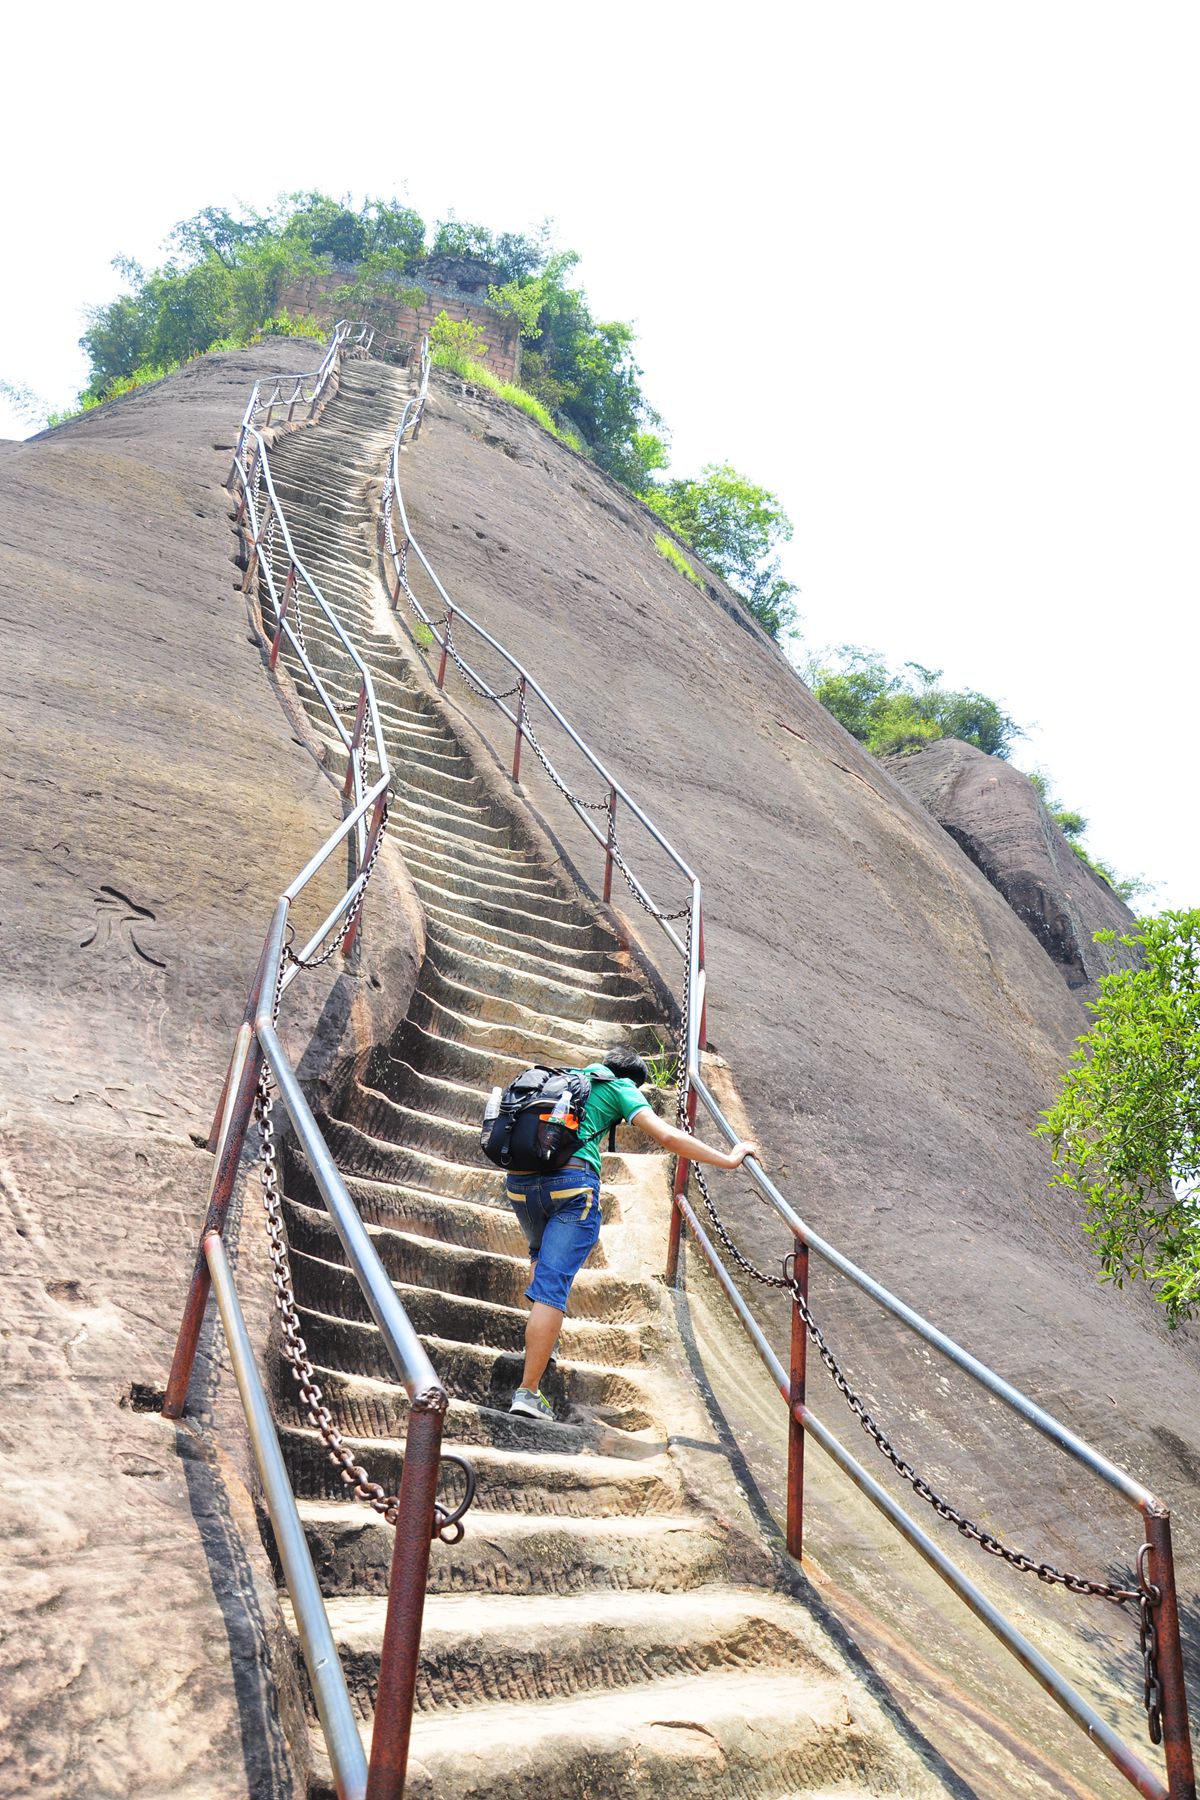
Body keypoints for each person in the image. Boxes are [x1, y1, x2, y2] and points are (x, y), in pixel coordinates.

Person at [503, 1043, 759, 1421]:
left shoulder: (566, 1079)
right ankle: (527, 1392)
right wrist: (728, 1158)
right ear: (633, 1081)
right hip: (571, 1188)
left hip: (521, 1185)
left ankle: (545, 1345)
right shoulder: (621, 1087)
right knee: (553, 1285)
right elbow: (669, 1138)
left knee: (540, 1257)